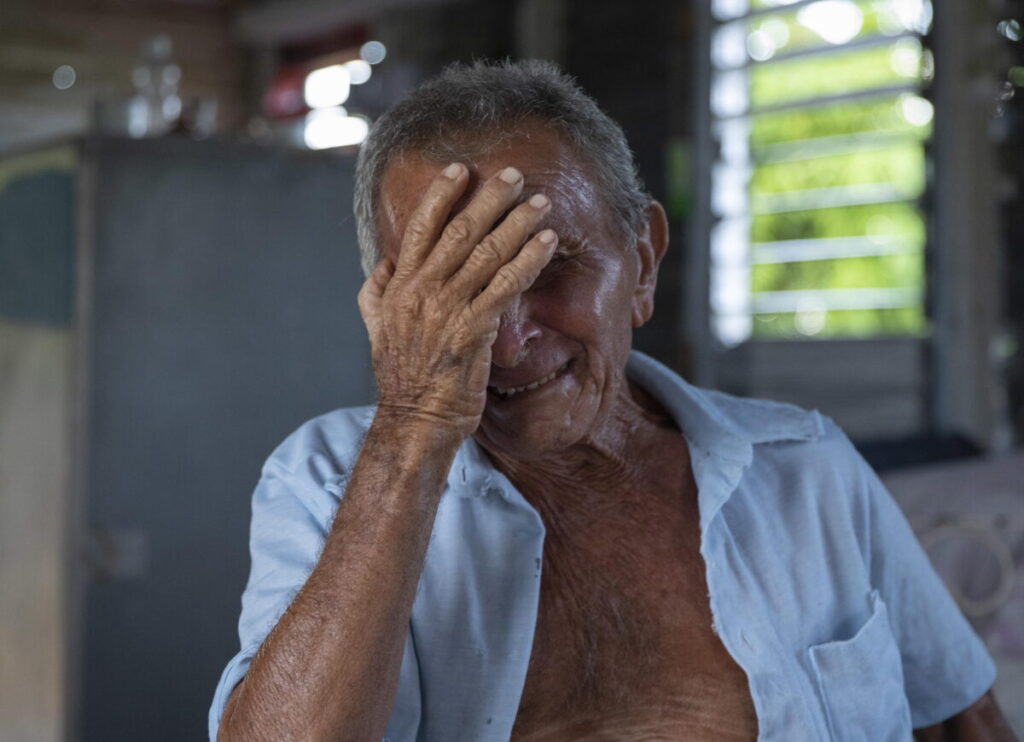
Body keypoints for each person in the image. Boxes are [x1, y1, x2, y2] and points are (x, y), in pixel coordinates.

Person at [210, 60, 1015, 741]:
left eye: (549, 268)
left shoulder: (806, 469)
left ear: (643, 263)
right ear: (389, 304)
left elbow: (963, 721)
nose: (507, 341)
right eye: (456, 288)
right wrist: (414, 428)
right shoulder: (323, 480)